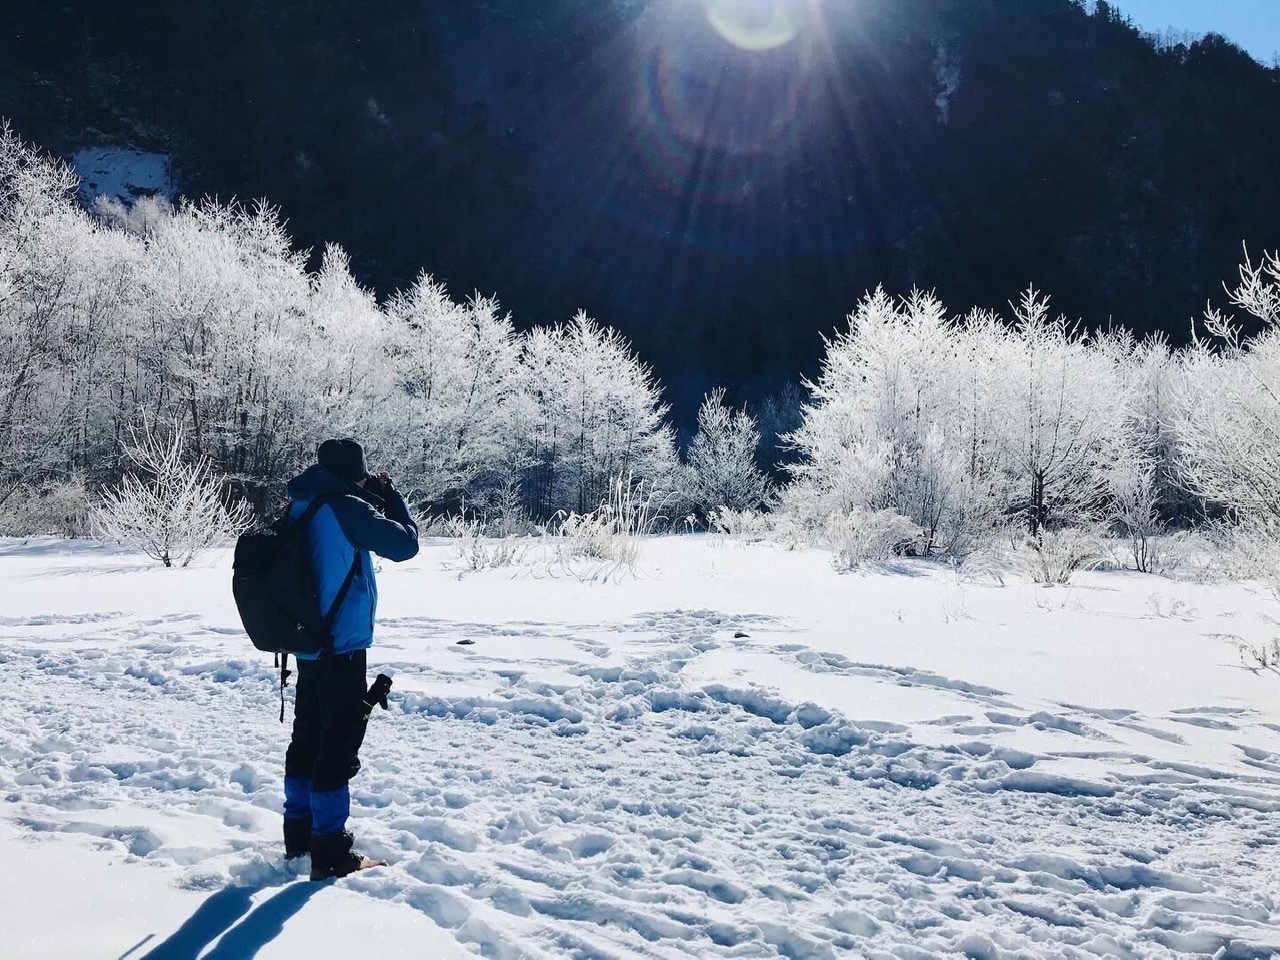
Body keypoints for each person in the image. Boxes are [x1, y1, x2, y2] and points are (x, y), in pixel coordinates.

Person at [282, 437, 419, 880]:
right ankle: (331, 852)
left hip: (306, 641)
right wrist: (392, 498)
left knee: (307, 739)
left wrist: (366, 497)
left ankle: (298, 839)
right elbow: (404, 546)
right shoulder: (347, 506)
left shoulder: (303, 501)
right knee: (337, 747)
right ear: (352, 474)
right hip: (340, 643)